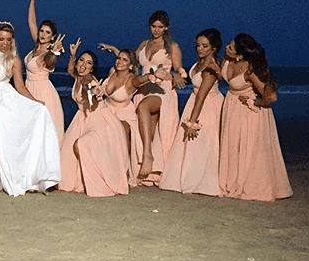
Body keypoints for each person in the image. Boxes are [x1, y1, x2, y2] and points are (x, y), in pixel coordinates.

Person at [0, 22, 60, 196]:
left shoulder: (14, 59)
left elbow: (19, 86)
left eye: (8, 40)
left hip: (4, 100)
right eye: (1, 39)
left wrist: (36, 102)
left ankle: (9, 177)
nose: (5, 43)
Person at [101, 11, 185, 183]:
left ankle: (148, 156)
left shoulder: (172, 47)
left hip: (162, 90)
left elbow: (178, 70)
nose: (156, 30)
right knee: (148, 129)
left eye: (160, 27)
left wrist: (177, 75)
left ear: (166, 27)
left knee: (143, 108)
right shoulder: (144, 44)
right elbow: (131, 62)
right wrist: (116, 51)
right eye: (153, 26)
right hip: (143, 89)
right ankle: (148, 173)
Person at [218, 33, 292, 201]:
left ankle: (249, 184)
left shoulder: (250, 69)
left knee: (249, 147)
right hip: (232, 107)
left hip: (250, 112)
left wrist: (254, 101)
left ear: (241, 53)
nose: (226, 48)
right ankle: (231, 181)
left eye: (230, 47)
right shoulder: (228, 61)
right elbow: (220, 74)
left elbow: (270, 96)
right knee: (233, 145)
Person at [58, 41, 130, 197]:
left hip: (99, 121)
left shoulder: (88, 79)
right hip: (82, 119)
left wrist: (95, 90)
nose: (83, 65)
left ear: (92, 69)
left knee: (81, 145)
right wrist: (72, 55)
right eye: (82, 60)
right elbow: (71, 70)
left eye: (88, 63)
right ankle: (81, 178)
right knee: (66, 154)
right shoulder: (78, 75)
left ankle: (98, 182)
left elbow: (88, 85)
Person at [159, 29, 224, 196]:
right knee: (189, 145)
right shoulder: (199, 62)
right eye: (198, 45)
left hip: (207, 106)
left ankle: (200, 182)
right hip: (193, 102)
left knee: (202, 144)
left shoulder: (210, 68)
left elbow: (201, 96)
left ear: (214, 48)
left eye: (204, 46)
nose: (200, 49)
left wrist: (193, 122)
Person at [98, 47, 144, 186]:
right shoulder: (112, 71)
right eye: (118, 58)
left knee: (121, 132)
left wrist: (153, 76)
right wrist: (112, 49)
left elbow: (142, 80)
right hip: (106, 109)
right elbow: (122, 60)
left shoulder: (132, 79)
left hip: (124, 114)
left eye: (124, 60)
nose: (119, 62)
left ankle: (124, 173)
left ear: (131, 65)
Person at [25, 0, 65, 141]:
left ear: (52, 37)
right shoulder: (36, 44)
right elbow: (31, 21)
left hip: (43, 93)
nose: (43, 34)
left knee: (43, 135)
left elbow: (50, 62)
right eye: (42, 31)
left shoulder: (50, 53)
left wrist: (54, 51)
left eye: (48, 32)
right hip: (29, 89)